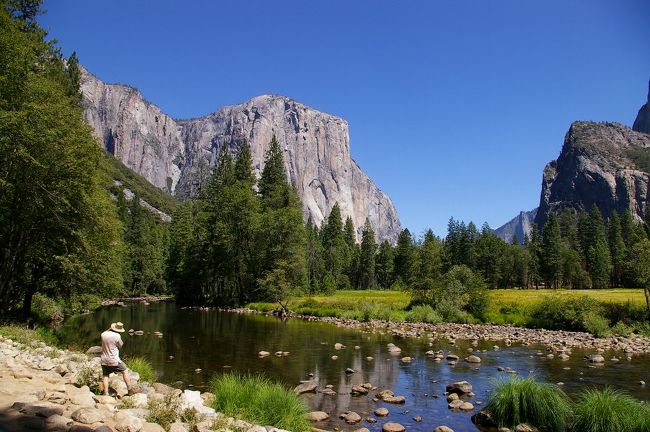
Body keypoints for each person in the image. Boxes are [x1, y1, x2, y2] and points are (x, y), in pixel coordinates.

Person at [100, 322, 138, 396]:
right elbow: (120, 345)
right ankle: (130, 390)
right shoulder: (117, 336)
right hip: (114, 360)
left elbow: (106, 332)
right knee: (125, 370)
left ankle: (106, 392)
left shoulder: (103, 334)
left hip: (104, 359)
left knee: (105, 375)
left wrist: (110, 328)